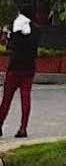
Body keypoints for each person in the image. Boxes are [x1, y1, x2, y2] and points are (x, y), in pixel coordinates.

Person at [0, 11, 40, 139]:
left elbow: (10, 47)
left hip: (15, 68)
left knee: (6, 99)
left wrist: (7, 38)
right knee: (26, 98)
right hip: (29, 68)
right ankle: (23, 128)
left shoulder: (16, 29)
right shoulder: (36, 30)